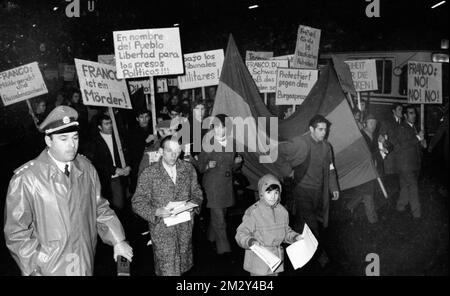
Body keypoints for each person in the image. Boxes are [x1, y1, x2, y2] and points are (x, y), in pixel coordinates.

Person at [4, 106, 133, 276]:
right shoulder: (27, 178)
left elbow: (99, 208)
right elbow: (16, 232)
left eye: (75, 137)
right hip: (50, 268)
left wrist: (118, 240)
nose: (72, 145)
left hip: (84, 259)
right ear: (48, 141)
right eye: (63, 139)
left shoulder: (86, 169)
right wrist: (35, 265)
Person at [132, 136, 203, 276]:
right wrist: (156, 211)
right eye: (169, 150)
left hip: (185, 227)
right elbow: (137, 202)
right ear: (161, 151)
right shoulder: (149, 173)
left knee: (183, 267)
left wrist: (193, 205)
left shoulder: (188, 169)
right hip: (162, 229)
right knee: (168, 269)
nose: (173, 155)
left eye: (177, 151)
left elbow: (197, 192)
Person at [279, 114, 339, 267]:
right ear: (311, 129)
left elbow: (331, 168)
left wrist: (334, 187)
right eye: (320, 129)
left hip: (318, 192)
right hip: (302, 190)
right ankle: (321, 256)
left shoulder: (327, 147)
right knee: (312, 223)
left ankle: (296, 255)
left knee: (302, 223)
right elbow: (279, 152)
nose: (323, 132)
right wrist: (289, 172)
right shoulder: (300, 142)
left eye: (325, 129)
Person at [235, 174, 303, 276]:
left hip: (275, 262)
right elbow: (241, 233)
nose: (273, 196)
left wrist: (295, 237)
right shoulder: (254, 212)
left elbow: (285, 232)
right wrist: (250, 241)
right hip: (258, 262)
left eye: (276, 192)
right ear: (262, 193)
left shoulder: (283, 212)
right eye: (269, 192)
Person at [197, 114, 243, 256]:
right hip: (212, 185)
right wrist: (207, 166)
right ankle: (225, 251)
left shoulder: (232, 143)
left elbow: (233, 168)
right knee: (220, 219)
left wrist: (237, 163)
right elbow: (200, 166)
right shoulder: (208, 143)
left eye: (222, 127)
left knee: (220, 214)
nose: (218, 130)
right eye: (216, 126)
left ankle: (210, 237)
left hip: (226, 185)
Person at [86, 114, 131, 216]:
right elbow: (95, 162)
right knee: (113, 207)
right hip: (107, 179)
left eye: (111, 123)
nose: (110, 126)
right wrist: (114, 169)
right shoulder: (94, 141)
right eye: (106, 124)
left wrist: (128, 165)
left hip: (121, 178)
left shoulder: (119, 137)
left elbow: (127, 153)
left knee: (123, 204)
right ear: (99, 127)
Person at [346, 114, 383, 224]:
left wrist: (383, 145)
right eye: (370, 122)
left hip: (372, 169)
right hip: (362, 169)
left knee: (364, 191)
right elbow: (354, 153)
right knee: (368, 193)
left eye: (375, 123)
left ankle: (349, 206)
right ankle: (373, 220)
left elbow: (378, 152)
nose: (373, 125)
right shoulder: (360, 136)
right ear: (365, 123)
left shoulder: (376, 136)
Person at [396, 105, 427, 219]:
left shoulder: (415, 127)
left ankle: (400, 206)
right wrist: (418, 138)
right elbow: (403, 145)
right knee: (413, 187)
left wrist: (422, 143)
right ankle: (417, 214)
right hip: (406, 164)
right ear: (405, 115)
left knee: (405, 186)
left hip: (414, 163)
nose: (414, 115)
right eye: (410, 113)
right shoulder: (401, 128)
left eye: (414, 113)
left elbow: (416, 145)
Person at [379, 103, 403, 196]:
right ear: (394, 111)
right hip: (391, 156)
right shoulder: (387, 122)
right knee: (391, 179)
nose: (402, 111)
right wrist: (386, 146)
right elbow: (380, 136)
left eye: (402, 109)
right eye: (399, 109)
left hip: (400, 157)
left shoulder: (403, 123)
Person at [128, 109, 154, 193]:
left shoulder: (153, 129)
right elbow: (133, 149)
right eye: (141, 117)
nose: (144, 119)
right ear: (137, 119)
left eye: (146, 117)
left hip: (151, 162)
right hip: (138, 163)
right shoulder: (132, 131)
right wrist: (146, 141)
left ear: (149, 118)